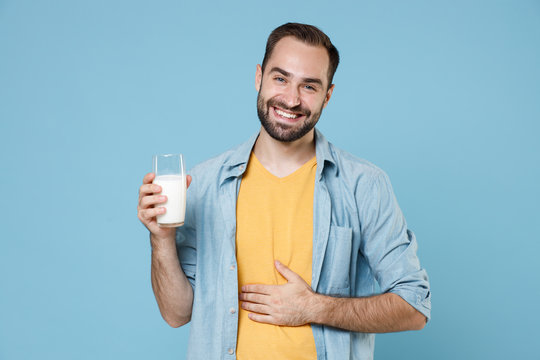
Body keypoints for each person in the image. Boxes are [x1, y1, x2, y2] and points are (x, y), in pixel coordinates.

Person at [137, 22, 431, 360]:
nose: (291, 99)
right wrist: (161, 240)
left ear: (328, 95)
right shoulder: (203, 184)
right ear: (259, 78)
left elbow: (414, 307)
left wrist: (315, 308)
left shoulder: (363, 184)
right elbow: (177, 314)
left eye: (309, 86)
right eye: (281, 78)